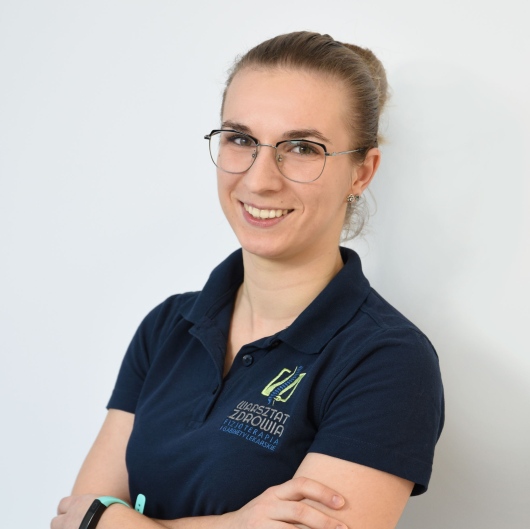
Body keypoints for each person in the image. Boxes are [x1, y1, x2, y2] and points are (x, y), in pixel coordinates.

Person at [52, 31, 444, 529]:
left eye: (302, 147)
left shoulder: (388, 361)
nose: (260, 180)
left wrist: (117, 522)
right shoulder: (167, 326)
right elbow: (75, 519)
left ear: (361, 173)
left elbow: (94, 518)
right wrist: (234, 524)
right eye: (240, 139)